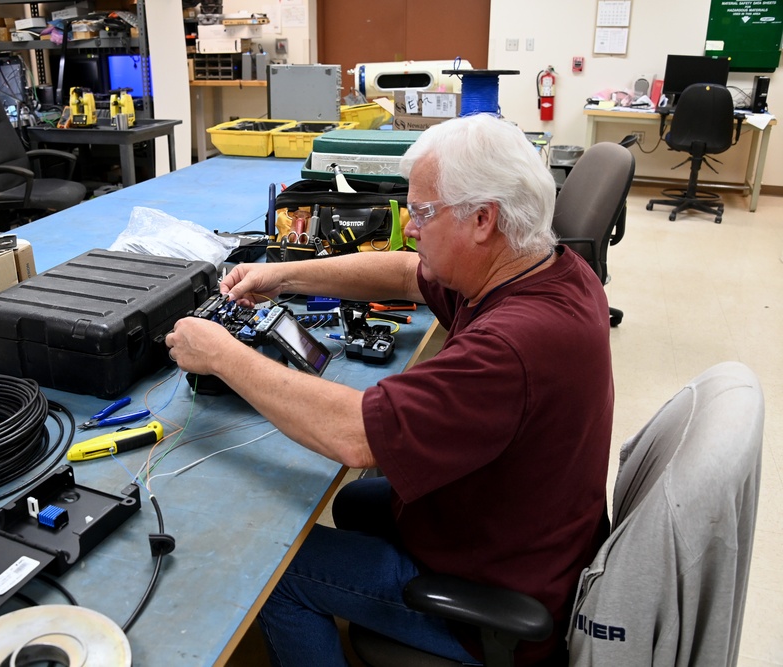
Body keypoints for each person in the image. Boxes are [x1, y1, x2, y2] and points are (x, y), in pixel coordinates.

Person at [164, 113, 613, 666]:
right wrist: (282, 275)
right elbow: (404, 273)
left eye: (422, 211)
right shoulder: (542, 269)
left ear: (482, 219)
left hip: (496, 592)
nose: (412, 226)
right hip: (514, 524)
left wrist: (220, 355)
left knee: (272, 570)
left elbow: (354, 437)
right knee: (355, 501)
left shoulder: (514, 345)